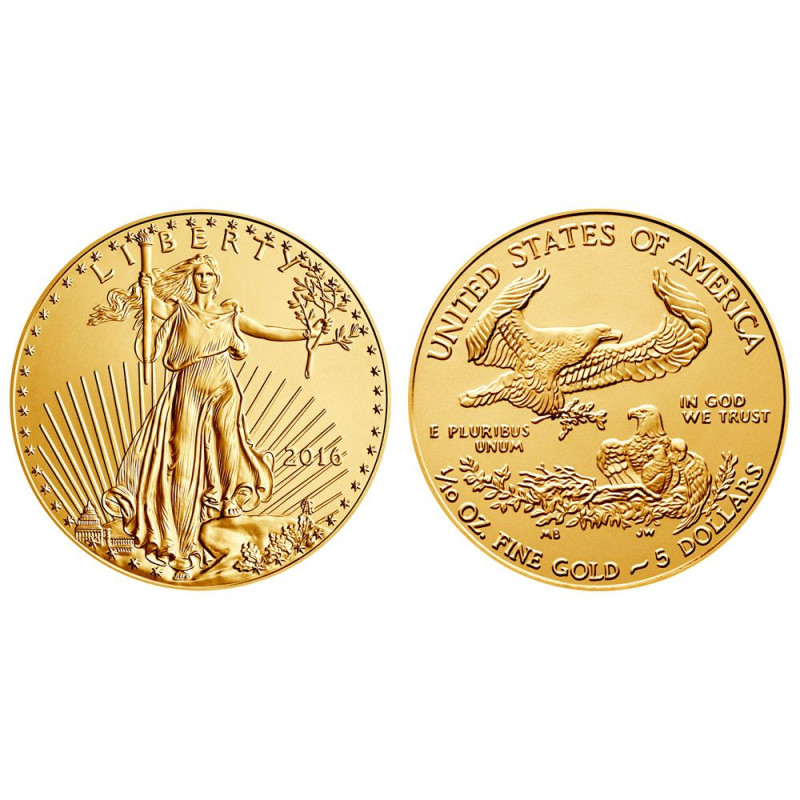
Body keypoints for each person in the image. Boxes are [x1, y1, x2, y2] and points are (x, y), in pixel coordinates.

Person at [89, 253, 326, 579]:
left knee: (228, 446)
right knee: (182, 463)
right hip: (188, 392)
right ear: (192, 278)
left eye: (209, 275)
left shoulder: (230, 315)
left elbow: (266, 330)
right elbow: (152, 305)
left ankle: (228, 499)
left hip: (224, 390)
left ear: (217, 280)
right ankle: (181, 546)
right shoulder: (179, 311)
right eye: (199, 274)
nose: (203, 279)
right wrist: (145, 287)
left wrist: (307, 334)